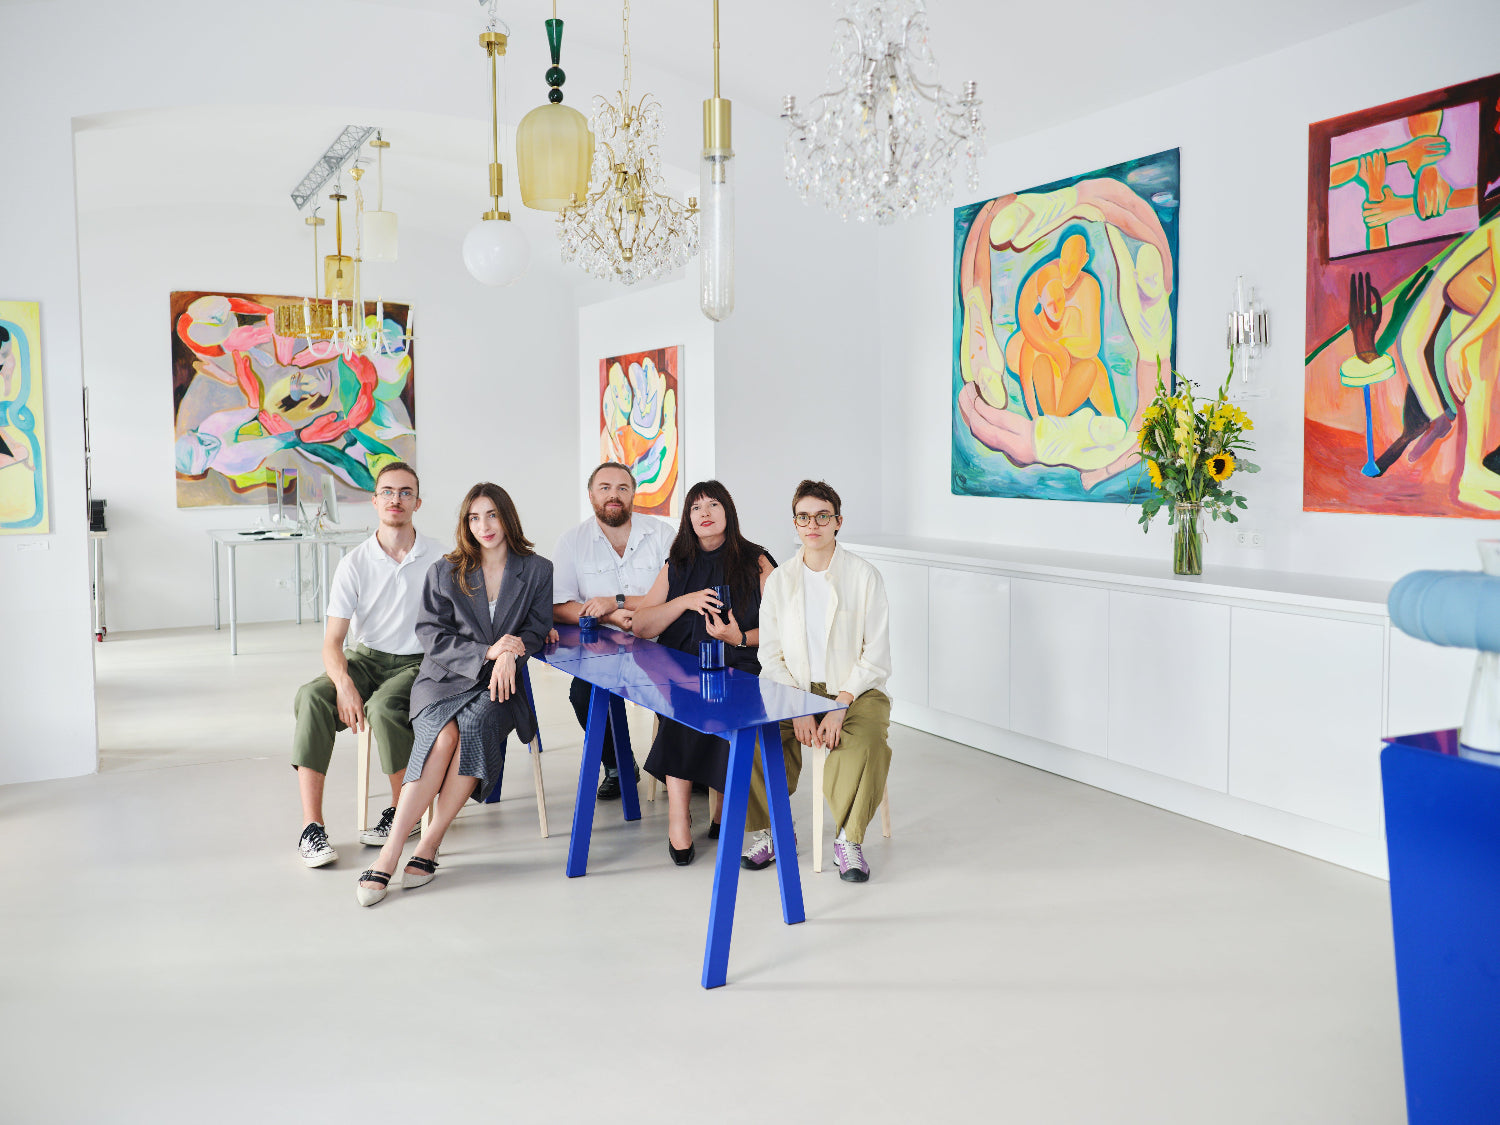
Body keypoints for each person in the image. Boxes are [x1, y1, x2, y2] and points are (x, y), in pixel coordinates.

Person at [356, 482, 553, 906]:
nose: (484, 526)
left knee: (475, 728)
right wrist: (487, 651)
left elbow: (536, 629)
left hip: (498, 684)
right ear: (466, 523)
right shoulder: (445, 571)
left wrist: (511, 652)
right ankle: (391, 852)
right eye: (474, 517)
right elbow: (431, 634)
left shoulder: (538, 570)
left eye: (492, 515)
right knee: (442, 737)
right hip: (443, 678)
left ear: (507, 517)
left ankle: (430, 843)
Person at [290, 461, 437, 868]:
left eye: (405, 492)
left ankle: (403, 812)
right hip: (366, 658)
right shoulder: (354, 563)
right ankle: (311, 827)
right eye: (387, 491)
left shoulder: (439, 557)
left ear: (417, 503)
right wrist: (344, 684)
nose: (396, 499)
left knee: (384, 706)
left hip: (419, 663)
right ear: (374, 501)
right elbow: (332, 643)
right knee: (312, 696)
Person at [746, 480, 892, 883]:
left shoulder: (865, 576)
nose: (813, 525)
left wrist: (841, 704)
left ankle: (848, 839)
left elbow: (876, 655)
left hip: (855, 690)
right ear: (795, 523)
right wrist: (798, 706)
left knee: (867, 743)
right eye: (804, 517)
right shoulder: (780, 581)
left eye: (822, 516)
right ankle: (776, 830)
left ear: (838, 521)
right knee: (752, 737)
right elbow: (769, 655)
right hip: (794, 688)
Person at [631, 481, 776, 865]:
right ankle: (679, 817)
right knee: (685, 702)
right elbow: (641, 626)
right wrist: (685, 601)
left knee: (719, 698)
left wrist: (738, 637)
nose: (705, 513)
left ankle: (722, 808)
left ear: (728, 511)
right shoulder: (676, 565)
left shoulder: (758, 561)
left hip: (741, 663)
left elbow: (785, 631)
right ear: (688, 518)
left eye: (713, 504)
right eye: (696, 508)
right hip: (681, 665)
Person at [552, 462, 674, 799]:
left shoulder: (662, 535)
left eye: (622, 488)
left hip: (662, 641)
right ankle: (618, 765)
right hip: (602, 646)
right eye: (604, 488)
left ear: (634, 493)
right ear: (591, 495)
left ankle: (678, 766)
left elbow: (675, 593)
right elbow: (558, 605)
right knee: (583, 695)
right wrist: (608, 615)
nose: (614, 495)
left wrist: (615, 601)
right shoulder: (572, 541)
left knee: (681, 690)